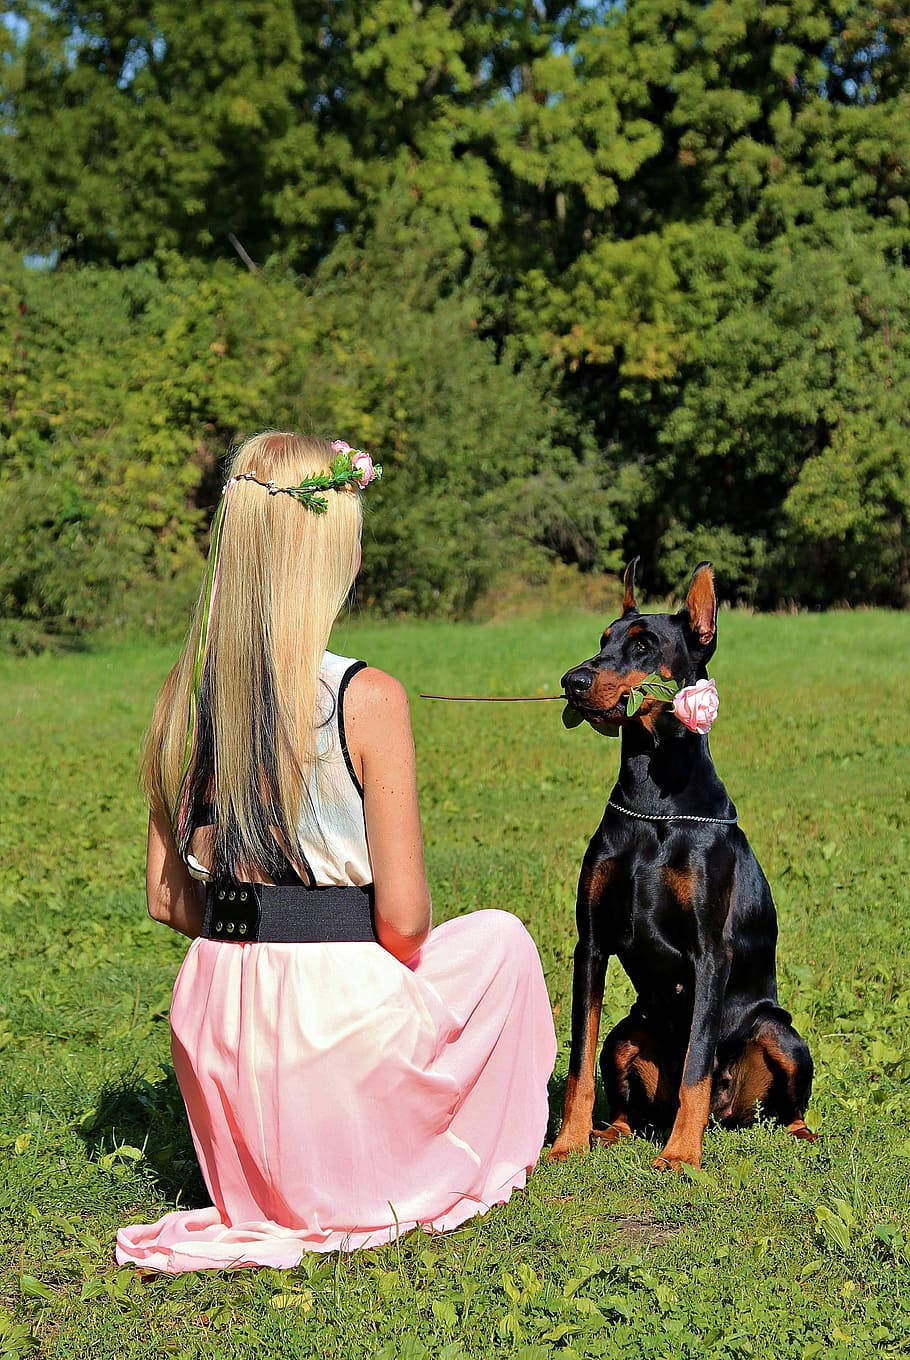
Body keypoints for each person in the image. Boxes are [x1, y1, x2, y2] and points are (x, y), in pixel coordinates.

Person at [116, 432, 557, 1272]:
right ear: (332, 554)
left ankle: (273, 1176)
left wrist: (260, 948)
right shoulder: (367, 696)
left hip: (220, 1029)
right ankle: (393, 1153)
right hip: (330, 1038)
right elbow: (403, 924)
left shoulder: (189, 695)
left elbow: (170, 903)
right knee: (500, 942)